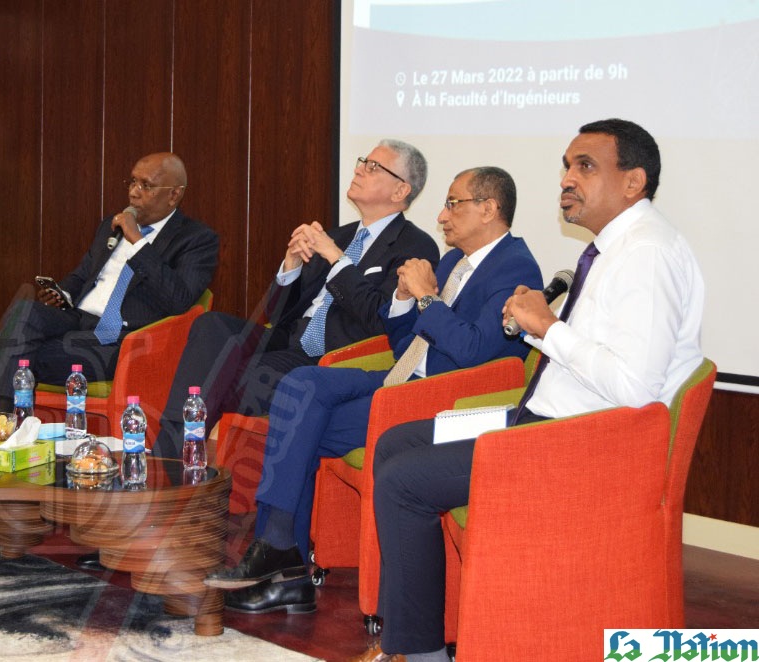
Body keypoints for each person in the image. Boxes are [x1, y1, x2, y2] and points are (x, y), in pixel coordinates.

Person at [356, 119, 705, 662]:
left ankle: (421, 653)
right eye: (567, 165)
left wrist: (548, 328)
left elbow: (636, 388)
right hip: (536, 417)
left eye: (585, 166)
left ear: (633, 182)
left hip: (573, 441)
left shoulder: (647, 255)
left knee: (404, 481)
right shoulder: (616, 248)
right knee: (398, 441)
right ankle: (430, 624)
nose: (567, 178)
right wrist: (542, 323)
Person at [205, 167, 543, 615]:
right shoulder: (450, 263)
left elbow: (475, 353)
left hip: (442, 393)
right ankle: (281, 554)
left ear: (489, 209)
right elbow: (406, 342)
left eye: (453, 203)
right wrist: (405, 301)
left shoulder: (515, 267)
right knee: (300, 384)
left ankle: (282, 559)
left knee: (300, 426)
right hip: (401, 374)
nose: (441, 215)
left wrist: (425, 299)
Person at [151, 139, 441, 460]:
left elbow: (379, 318)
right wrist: (290, 266)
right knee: (213, 325)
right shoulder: (340, 235)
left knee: (226, 373)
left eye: (373, 167)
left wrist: (335, 257)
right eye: (362, 162)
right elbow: (278, 314)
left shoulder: (415, 246)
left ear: (401, 191)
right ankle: (172, 450)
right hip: (291, 342)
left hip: (330, 359)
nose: (359, 169)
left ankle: (173, 456)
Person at [0, 152, 219, 412]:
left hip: (122, 339)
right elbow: (82, 275)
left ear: (174, 194)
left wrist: (138, 242)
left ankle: (2, 422)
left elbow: (180, 299)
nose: (133, 192)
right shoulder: (109, 226)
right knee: (23, 313)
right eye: (132, 182)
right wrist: (63, 292)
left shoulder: (197, 239)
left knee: (18, 352)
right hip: (78, 320)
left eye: (146, 186)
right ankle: (4, 420)